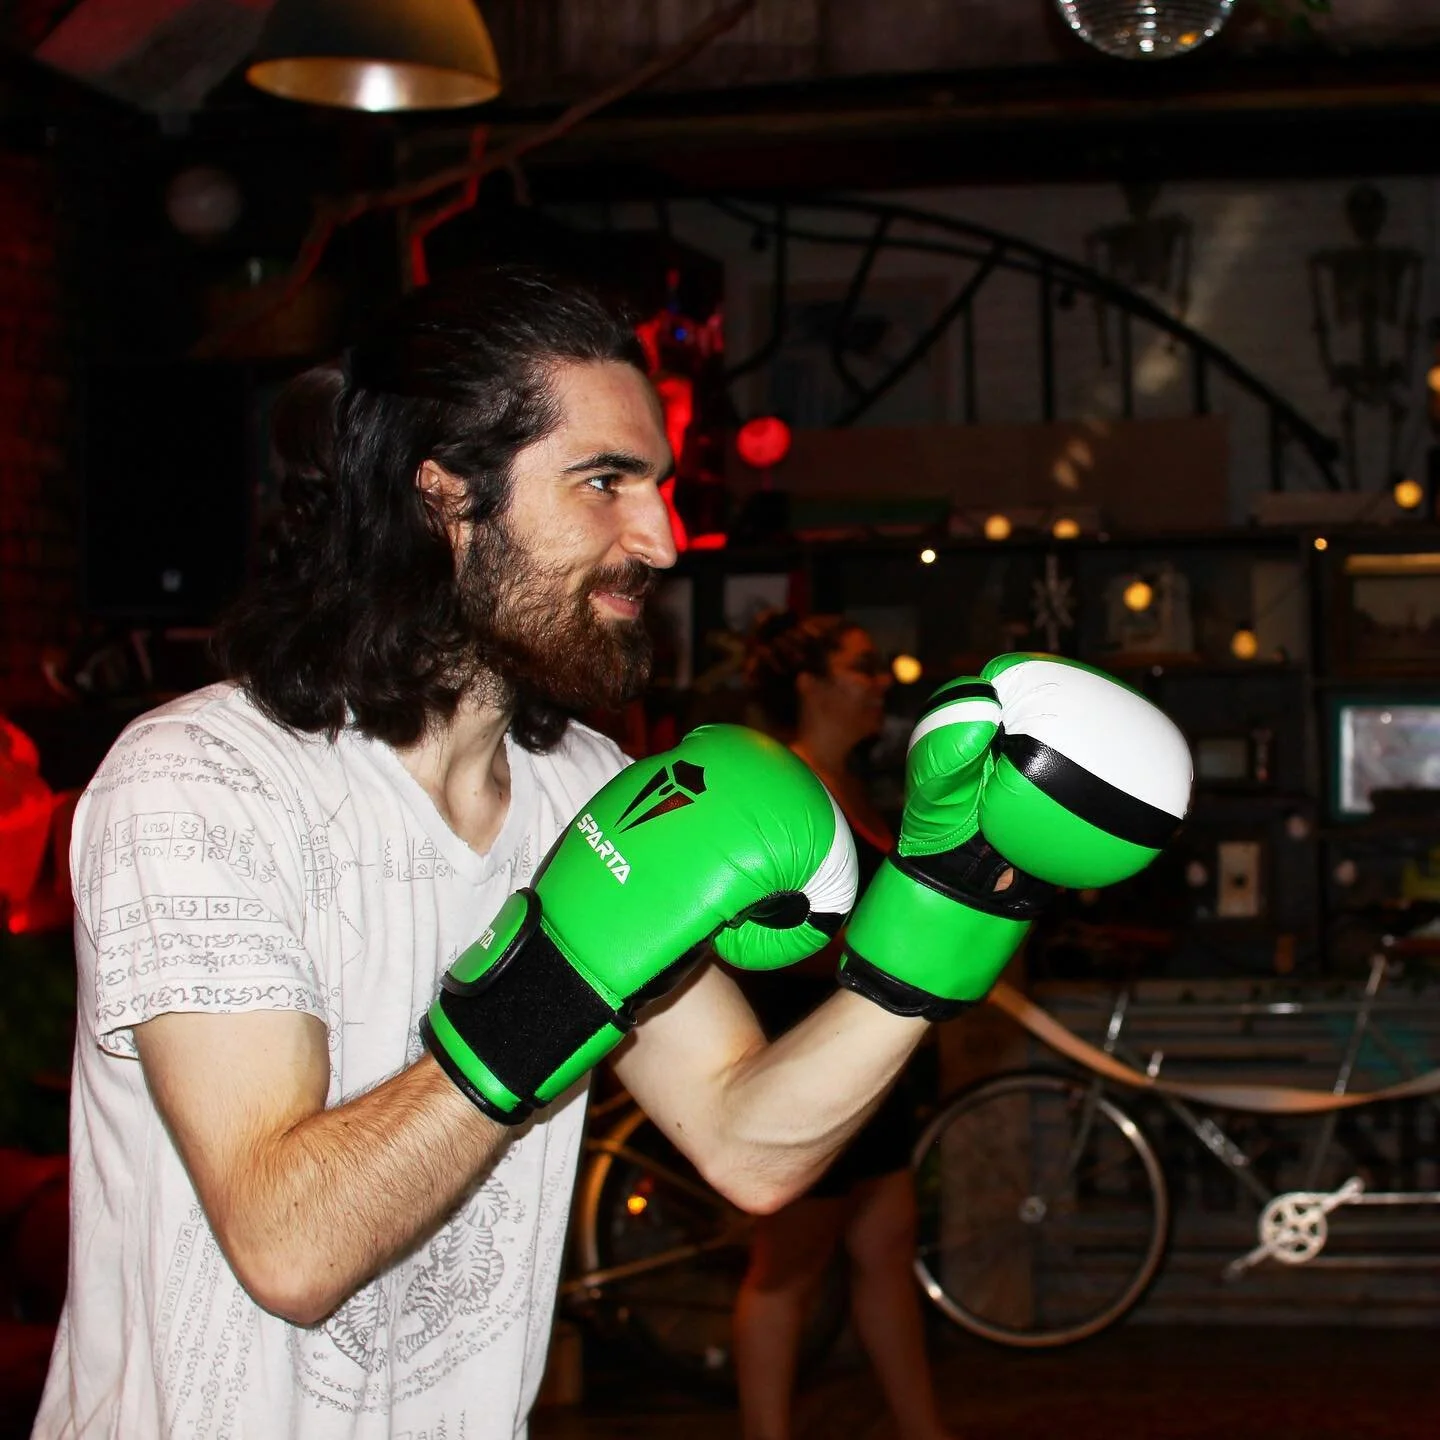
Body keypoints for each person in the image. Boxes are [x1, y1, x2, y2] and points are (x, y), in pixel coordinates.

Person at [33, 265, 1192, 1440]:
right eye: (605, 484)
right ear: (443, 495)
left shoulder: (587, 789)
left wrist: (949, 906)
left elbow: (745, 1144)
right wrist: (557, 987)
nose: (664, 538)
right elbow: (288, 1245)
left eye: (660, 488)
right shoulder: (202, 780)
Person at [733, 613, 959, 1440]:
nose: (881, 683)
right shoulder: (781, 786)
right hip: (805, 1048)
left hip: (869, 1047)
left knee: (887, 1244)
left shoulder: (853, 785)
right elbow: (752, 945)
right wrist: (885, 965)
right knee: (790, 1263)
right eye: (862, 667)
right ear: (810, 683)